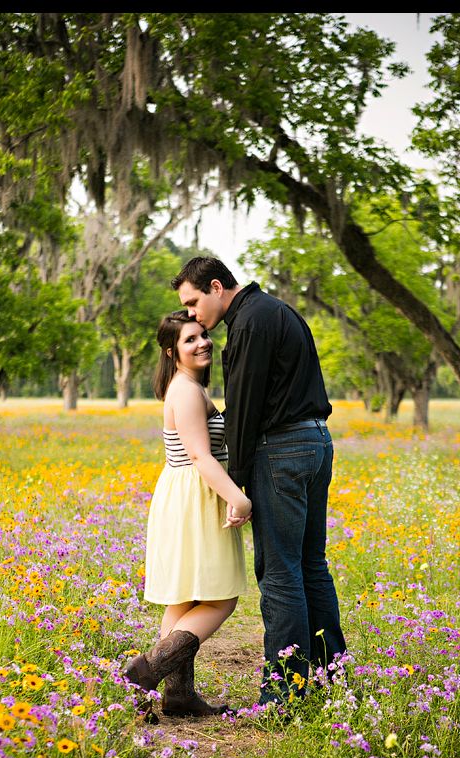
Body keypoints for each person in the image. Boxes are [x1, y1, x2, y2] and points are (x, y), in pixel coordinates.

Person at [171, 257, 347, 707]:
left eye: (193, 302)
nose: (192, 314)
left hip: (283, 450)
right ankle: (333, 680)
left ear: (215, 286)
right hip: (317, 441)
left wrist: (237, 484)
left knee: (281, 571)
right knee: (311, 566)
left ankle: (287, 694)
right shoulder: (279, 309)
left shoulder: (248, 322)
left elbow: (245, 408)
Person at [124, 309, 251, 717]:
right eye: (190, 340)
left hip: (184, 493)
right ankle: (149, 671)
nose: (202, 344)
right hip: (194, 494)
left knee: (184, 599)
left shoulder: (187, 388)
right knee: (220, 599)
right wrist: (239, 498)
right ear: (171, 351)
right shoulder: (185, 391)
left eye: (203, 336)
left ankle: (178, 696)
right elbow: (199, 454)